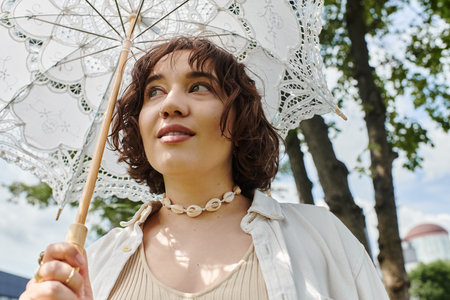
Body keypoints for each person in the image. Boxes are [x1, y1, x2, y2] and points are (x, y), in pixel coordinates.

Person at [20, 36, 389, 300]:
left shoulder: (323, 238)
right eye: (154, 91)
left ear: (241, 120)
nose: (171, 105)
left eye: (199, 86)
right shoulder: (94, 263)